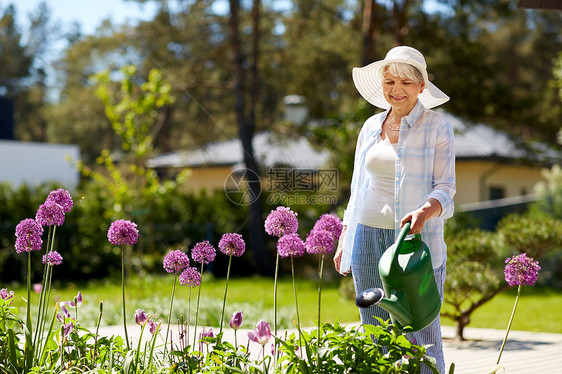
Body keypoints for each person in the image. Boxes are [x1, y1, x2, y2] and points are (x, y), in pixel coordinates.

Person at [333, 46, 456, 373]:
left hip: (413, 244)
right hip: (367, 238)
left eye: (405, 82)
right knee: (375, 332)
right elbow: (358, 188)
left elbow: (446, 187)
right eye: (389, 81)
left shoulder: (437, 127)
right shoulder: (371, 126)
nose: (396, 90)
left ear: (421, 87)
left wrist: (425, 212)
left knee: (422, 333)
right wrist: (346, 239)